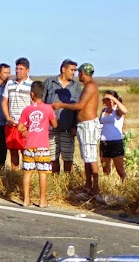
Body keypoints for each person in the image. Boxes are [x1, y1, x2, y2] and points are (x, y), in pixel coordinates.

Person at [53, 63, 101, 195]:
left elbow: (80, 105)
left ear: (82, 73)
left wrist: (61, 105)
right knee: (86, 156)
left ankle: (95, 187)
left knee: (90, 156)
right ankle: (88, 185)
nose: (77, 74)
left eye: (78, 72)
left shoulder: (90, 86)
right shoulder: (88, 86)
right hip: (84, 125)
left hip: (88, 125)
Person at [17, 81, 58, 208]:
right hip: (42, 145)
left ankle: (26, 200)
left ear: (32, 94)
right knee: (43, 173)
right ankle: (42, 201)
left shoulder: (27, 109)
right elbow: (55, 124)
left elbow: (19, 127)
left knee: (27, 173)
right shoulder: (48, 108)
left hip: (29, 145)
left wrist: (28, 128)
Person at [43, 59, 82, 173]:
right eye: (72, 70)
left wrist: (75, 126)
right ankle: (55, 180)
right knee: (52, 156)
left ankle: (67, 180)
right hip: (51, 127)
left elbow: (78, 108)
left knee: (67, 156)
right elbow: (42, 103)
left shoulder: (76, 86)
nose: (74, 73)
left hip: (68, 127)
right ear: (63, 69)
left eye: (75, 70)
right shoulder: (49, 83)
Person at [2, 57, 33, 170]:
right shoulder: (10, 83)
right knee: (13, 151)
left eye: (21, 69)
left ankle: (26, 175)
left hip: (24, 125)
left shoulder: (31, 85)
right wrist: (7, 117)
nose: (18, 71)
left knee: (26, 151)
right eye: (17, 68)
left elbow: (33, 105)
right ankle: (14, 175)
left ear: (27, 70)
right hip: (11, 123)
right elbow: (4, 101)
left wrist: (28, 126)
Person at [99, 90, 127, 181]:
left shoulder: (117, 110)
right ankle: (107, 188)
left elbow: (125, 110)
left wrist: (114, 99)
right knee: (105, 170)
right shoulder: (104, 111)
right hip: (104, 142)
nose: (104, 100)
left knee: (120, 170)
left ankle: (126, 187)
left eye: (106, 98)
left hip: (116, 142)